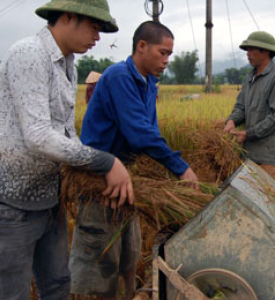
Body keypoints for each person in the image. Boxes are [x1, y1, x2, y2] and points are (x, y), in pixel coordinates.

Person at [0, 1, 134, 299]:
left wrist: (90, 173)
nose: (97, 37)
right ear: (68, 16)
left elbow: (66, 134)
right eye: (94, 27)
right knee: (15, 294)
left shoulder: (67, 65)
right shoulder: (29, 53)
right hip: (10, 204)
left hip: (49, 200)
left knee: (58, 286)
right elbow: (38, 136)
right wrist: (104, 162)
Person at [69, 21, 199, 300]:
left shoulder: (149, 82)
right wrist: (180, 168)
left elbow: (149, 129)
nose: (166, 60)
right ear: (142, 46)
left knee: (128, 256)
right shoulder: (119, 77)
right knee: (101, 264)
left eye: (169, 55)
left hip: (126, 178)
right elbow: (139, 134)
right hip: (100, 182)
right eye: (162, 53)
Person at [223, 31, 275, 187]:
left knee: (269, 204)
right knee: (248, 203)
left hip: (269, 158)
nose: (248, 54)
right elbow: (241, 106)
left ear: (265, 51)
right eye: (247, 50)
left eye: (252, 49)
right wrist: (232, 121)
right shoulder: (250, 77)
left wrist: (247, 133)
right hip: (248, 156)